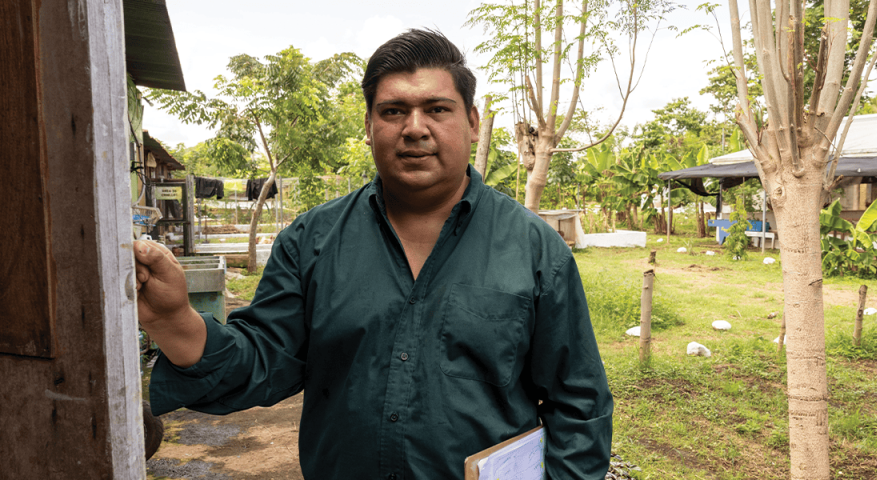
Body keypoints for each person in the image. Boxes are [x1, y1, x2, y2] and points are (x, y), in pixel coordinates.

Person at [136, 29, 613, 479]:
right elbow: (265, 360)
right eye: (393, 111)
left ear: (471, 123)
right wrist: (175, 320)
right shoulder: (311, 241)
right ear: (368, 125)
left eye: (437, 109)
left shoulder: (534, 250)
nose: (415, 128)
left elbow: (579, 404)